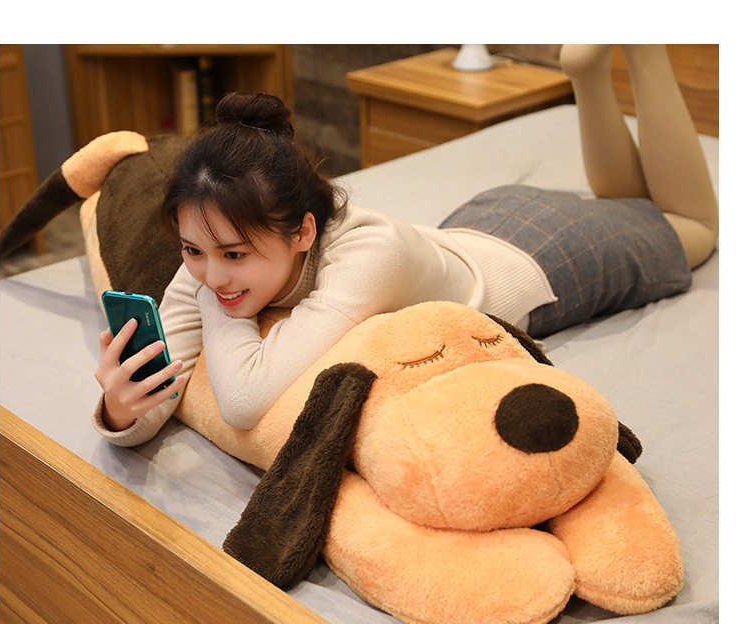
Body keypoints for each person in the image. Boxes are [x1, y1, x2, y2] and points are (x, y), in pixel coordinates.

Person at [93, 44, 718, 443]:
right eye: (191, 251)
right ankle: (588, 72)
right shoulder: (215, 248)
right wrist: (120, 408)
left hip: (543, 261)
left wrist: (211, 306)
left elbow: (244, 401)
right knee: (630, 204)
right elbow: (164, 386)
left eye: (233, 256)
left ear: (303, 231)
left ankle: (645, 48)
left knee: (693, 224)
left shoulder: (368, 258)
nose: (209, 276)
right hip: (474, 225)